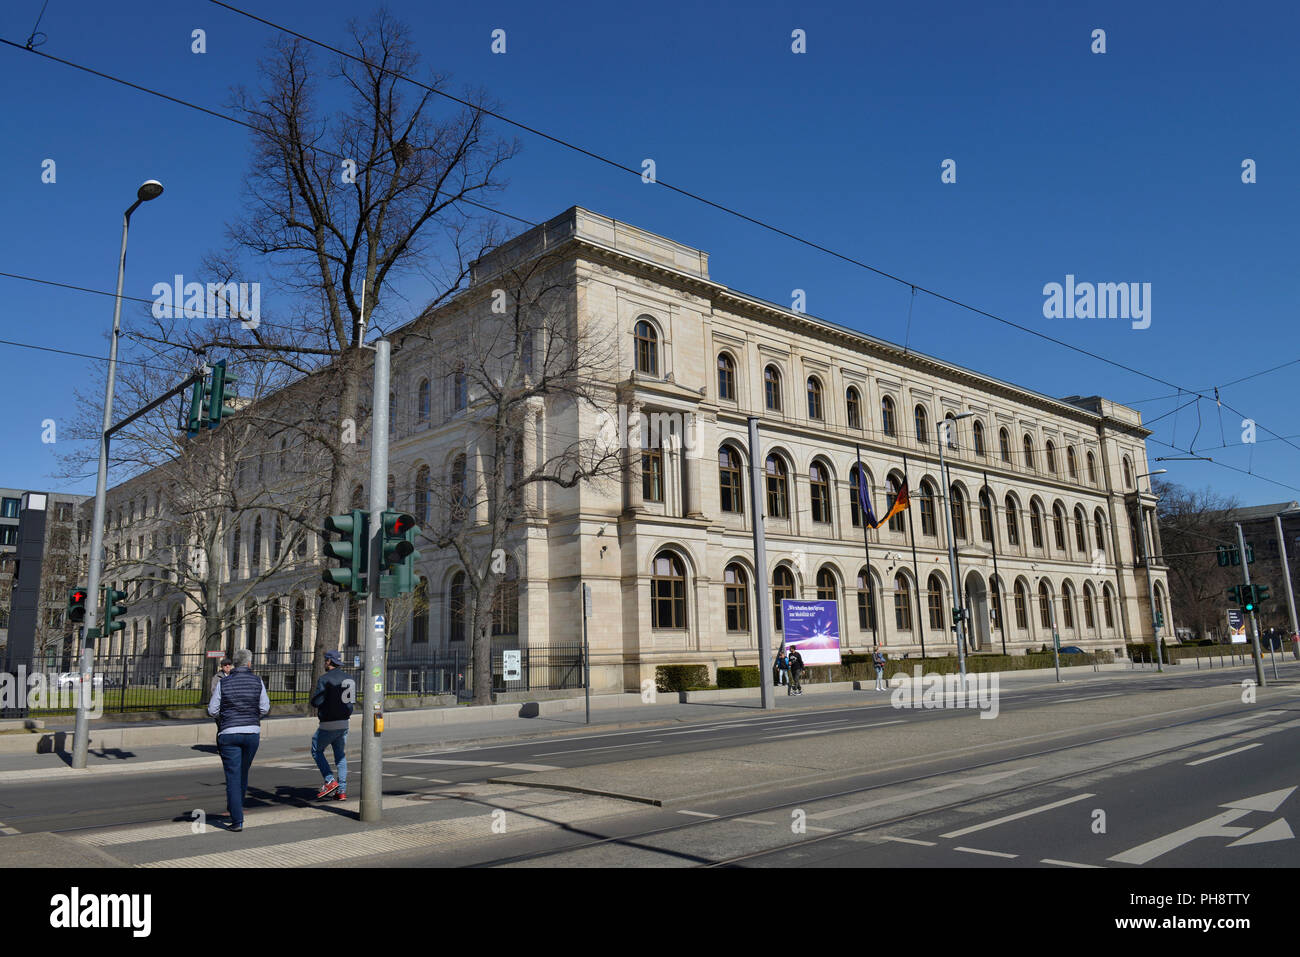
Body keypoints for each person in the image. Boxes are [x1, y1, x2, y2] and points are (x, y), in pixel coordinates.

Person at [207, 648, 270, 832]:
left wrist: (227, 716)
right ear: (249, 663)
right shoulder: (258, 681)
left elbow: (212, 710)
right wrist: (251, 714)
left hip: (229, 732)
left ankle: (237, 819)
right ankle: (236, 805)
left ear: (234, 664)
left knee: (233, 776)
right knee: (243, 772)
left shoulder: (224, 683)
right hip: (252, 732)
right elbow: (265, 707)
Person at [310, 650, 355, 801]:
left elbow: (317, 701)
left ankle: (329, 780)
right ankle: (341, 791)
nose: (324, 662)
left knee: (316, 749)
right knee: (340, 756)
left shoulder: (325, 679)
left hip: (328, 722)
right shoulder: (349, 678)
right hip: (345, 722)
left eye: (325, 660)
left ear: (329, 661)